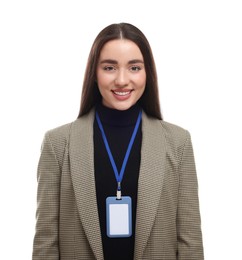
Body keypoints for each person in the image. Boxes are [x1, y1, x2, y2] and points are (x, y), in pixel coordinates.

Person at [32, 23, 204, 260]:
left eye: (134, 67)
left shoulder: (178, 142)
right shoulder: (57, 144)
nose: (122, 80)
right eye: (110, 67)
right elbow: (45, 243)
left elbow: (190, 242)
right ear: (94, 72)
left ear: (147, 73)